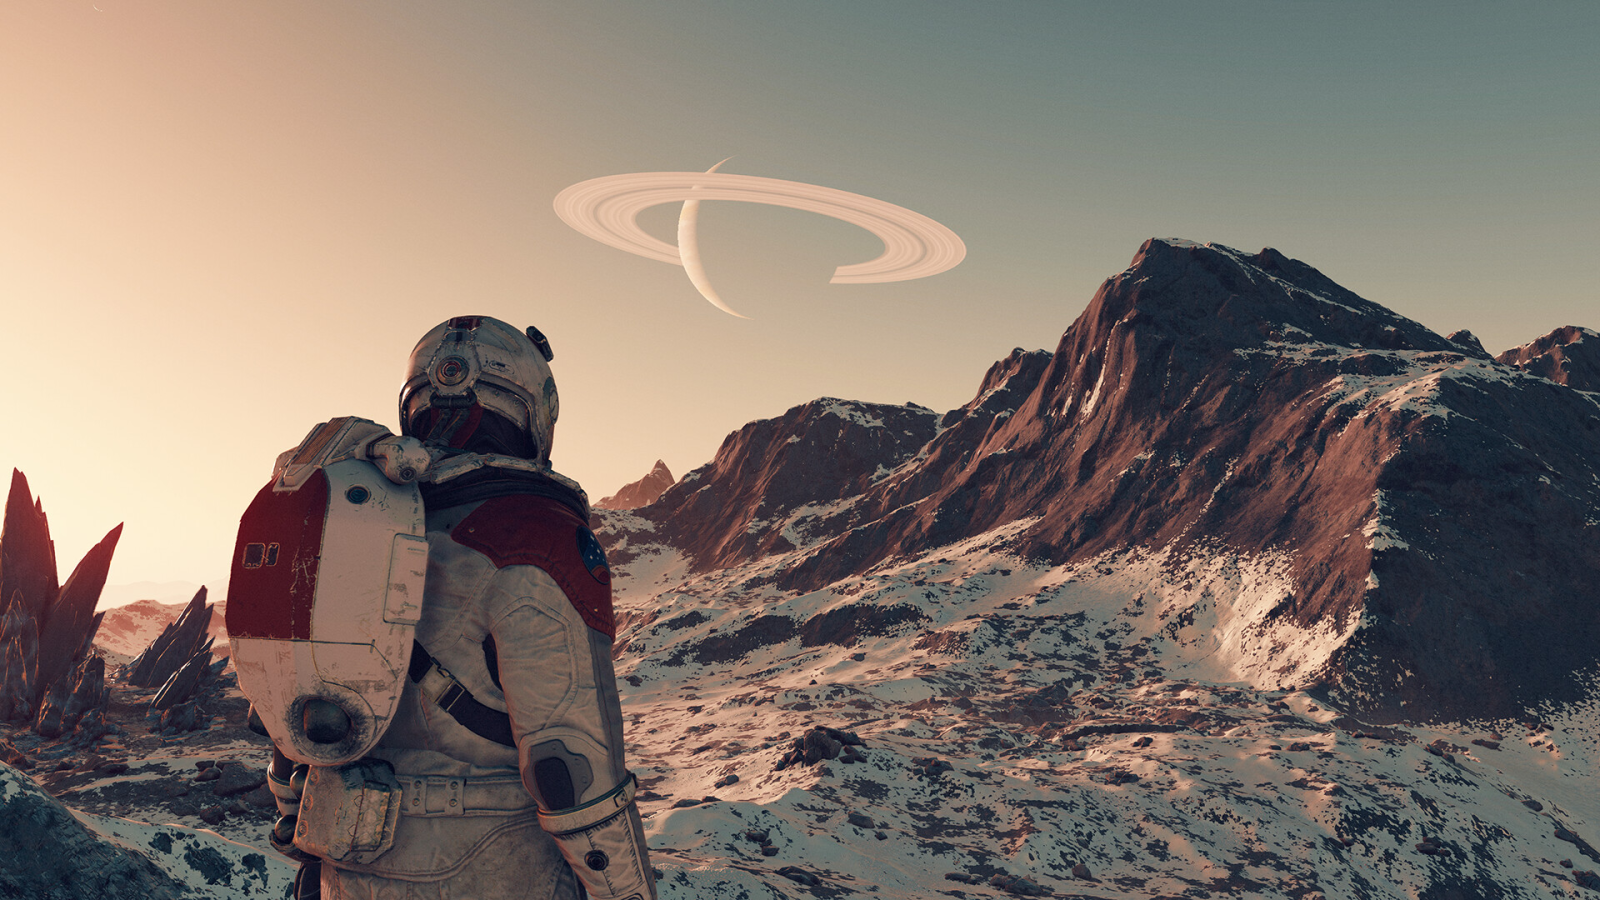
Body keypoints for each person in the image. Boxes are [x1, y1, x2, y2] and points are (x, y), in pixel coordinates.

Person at [267, 315, 655, 900]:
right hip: (495, 867)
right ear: (532, 408)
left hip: (343, 864)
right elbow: (571, 768)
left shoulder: (340, 527)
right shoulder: (533, 532)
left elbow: (288, 710)